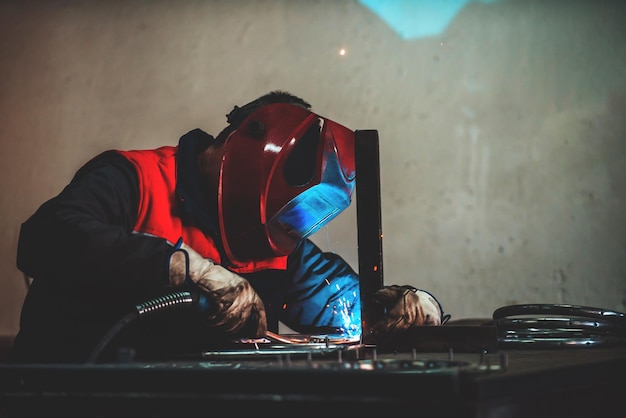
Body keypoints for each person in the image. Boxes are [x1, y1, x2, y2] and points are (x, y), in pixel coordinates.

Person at [9, 90, 450, 364]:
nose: (285, 232)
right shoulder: (135, 178)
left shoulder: (278, 240)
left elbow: (346, 307)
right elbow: (45, 238)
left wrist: (407, 305)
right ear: (240, 157)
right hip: (69, 392)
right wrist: (183, 269)